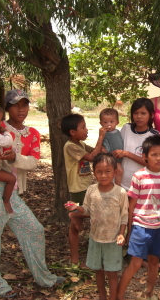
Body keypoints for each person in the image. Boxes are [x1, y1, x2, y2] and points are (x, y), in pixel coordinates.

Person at [0, 89, 63, 297]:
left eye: (25, 105)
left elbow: (33, 162)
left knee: (34, 229)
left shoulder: (32, 134)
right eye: (16, 105)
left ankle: (45, 278)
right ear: (7, 108)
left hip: (11, 191)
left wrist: (13, 157)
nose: (21, 109)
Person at [117, 135, 160, 300]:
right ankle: (119, 296)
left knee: (154, 261)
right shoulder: (139, 176)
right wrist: (129, 229)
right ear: (145, 156)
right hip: (141, 226)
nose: (158, 158)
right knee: (135, 264)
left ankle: (149, 292)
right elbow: (132, 205)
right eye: (154, 154)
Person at [64, 153, 128, 300]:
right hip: (95, 239)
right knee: (98, 271)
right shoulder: (91, 190)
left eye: (107, 171)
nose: (103, 175)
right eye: (99, 172)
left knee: (112, 273)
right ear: (94, 173)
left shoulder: (120, 192)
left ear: (115, 172)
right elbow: (87, 209)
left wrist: (121, 234)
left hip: (112, 240)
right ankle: (102, 296)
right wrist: (76, 207)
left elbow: (124, 215)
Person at [61, 113, 107, 266]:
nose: (86, 130)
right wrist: (101, 137)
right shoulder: (70, 146)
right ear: (72, 132)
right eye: (83, 127)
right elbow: (92, 157)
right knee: (96, 213)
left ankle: (75, 258)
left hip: (85, 187)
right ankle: (76, 215)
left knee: (77, 224)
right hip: (78, 188)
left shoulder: (80, 144)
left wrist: (105, 147)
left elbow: (95, 151)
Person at [112, 98, 160, 191]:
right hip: (121, 183)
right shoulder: (126, 128)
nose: (139, 116)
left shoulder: (154, 135)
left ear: (151, 115)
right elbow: (117, 149)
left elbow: (150, 162)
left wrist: (127, 153)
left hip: (141, 186)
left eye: (143, 113)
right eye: (135, 113)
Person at [100, 108, 124, 185]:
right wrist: (108, 155)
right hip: (112, 158)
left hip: (120, 157)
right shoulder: (105, 134)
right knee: (119, 171)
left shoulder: (118, 132)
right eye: (105, 122)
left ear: (117, 122)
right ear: (101, 123)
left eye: (111, 122)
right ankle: (117, 187)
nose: (108, 124)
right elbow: (104, 147)